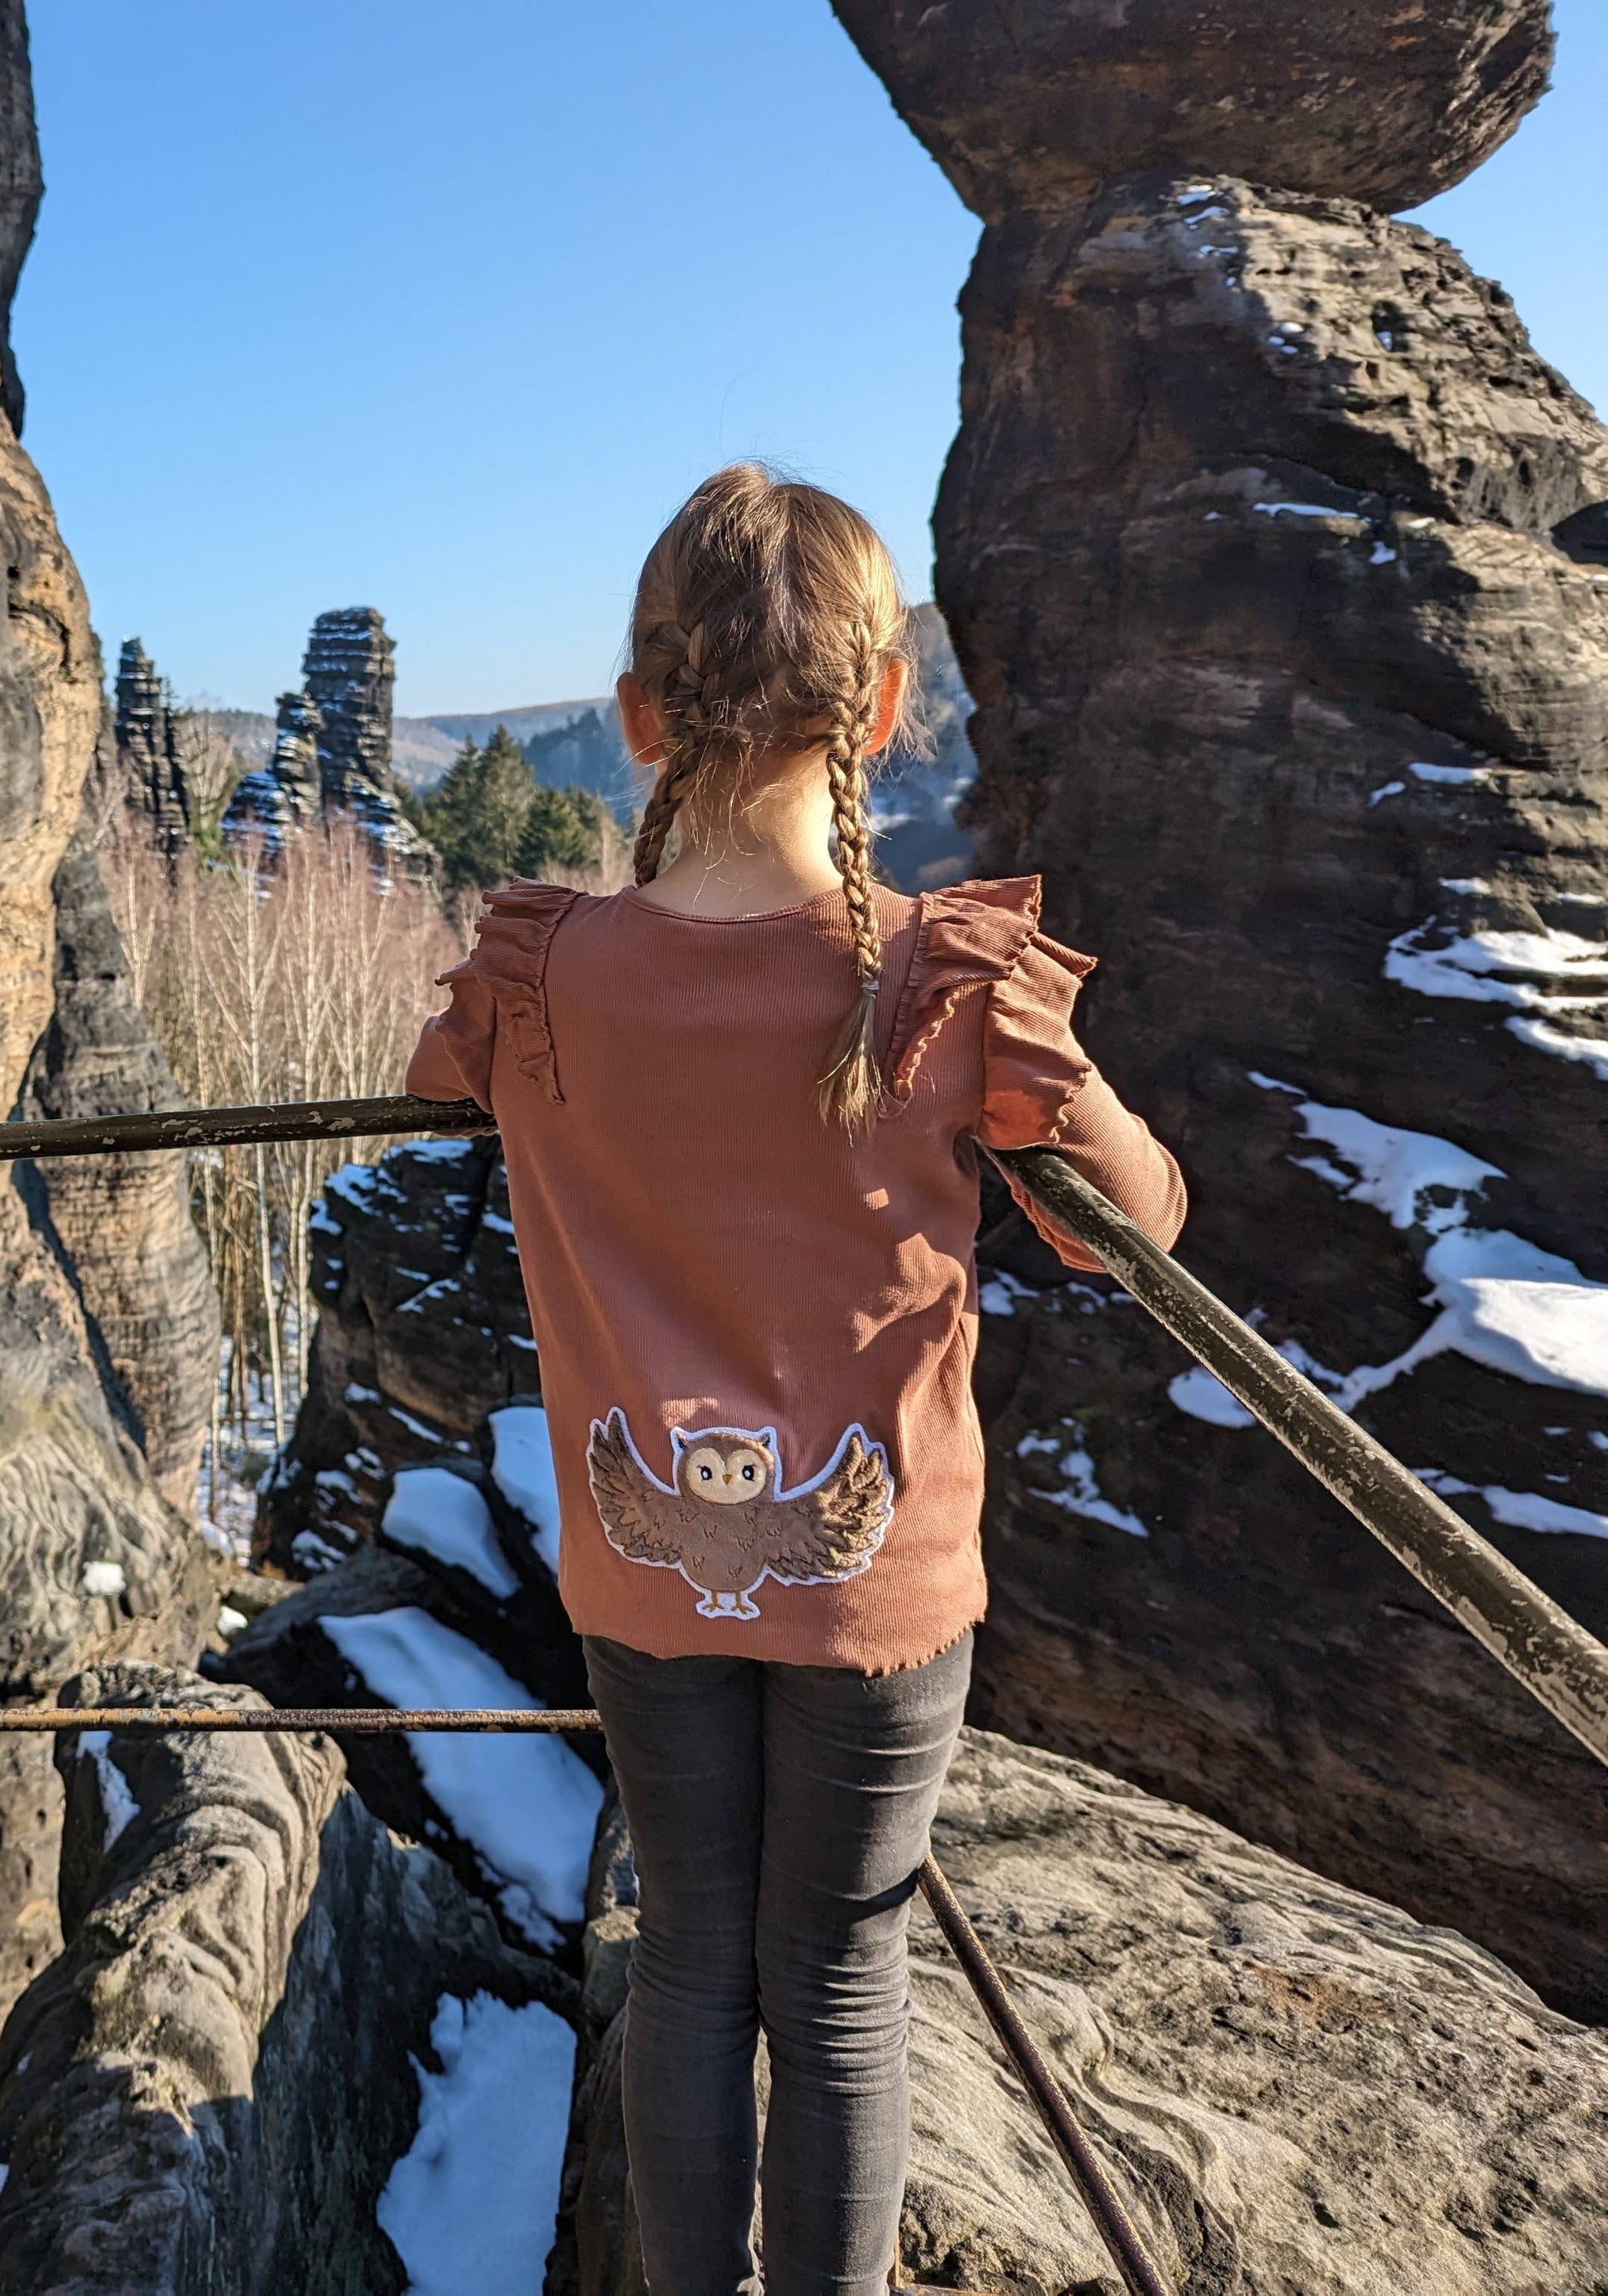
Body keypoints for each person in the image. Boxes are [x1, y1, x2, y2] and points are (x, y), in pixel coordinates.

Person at [403, 463, 1186, 2296]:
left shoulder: (544, 975)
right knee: (841, 1980)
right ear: (886, 710)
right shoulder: (950, 986)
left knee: (688, 1957)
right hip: (880, 1578)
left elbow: (447, 1087)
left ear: (638, 717)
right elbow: (1135, 1219)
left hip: (641, 1560)